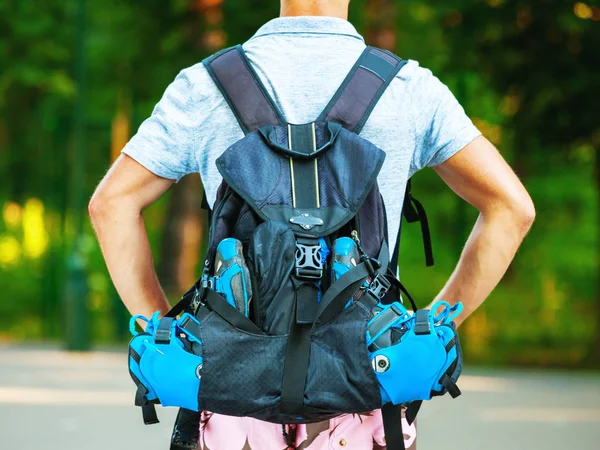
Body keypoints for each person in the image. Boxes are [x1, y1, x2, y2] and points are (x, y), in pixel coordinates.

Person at [88, 1, 535, 448]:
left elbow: (111, 205)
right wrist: (428, 331)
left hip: (231, 402)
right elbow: (512, 209)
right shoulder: (408, 88)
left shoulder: (204, 86)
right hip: (365, 394)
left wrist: (167, 335)